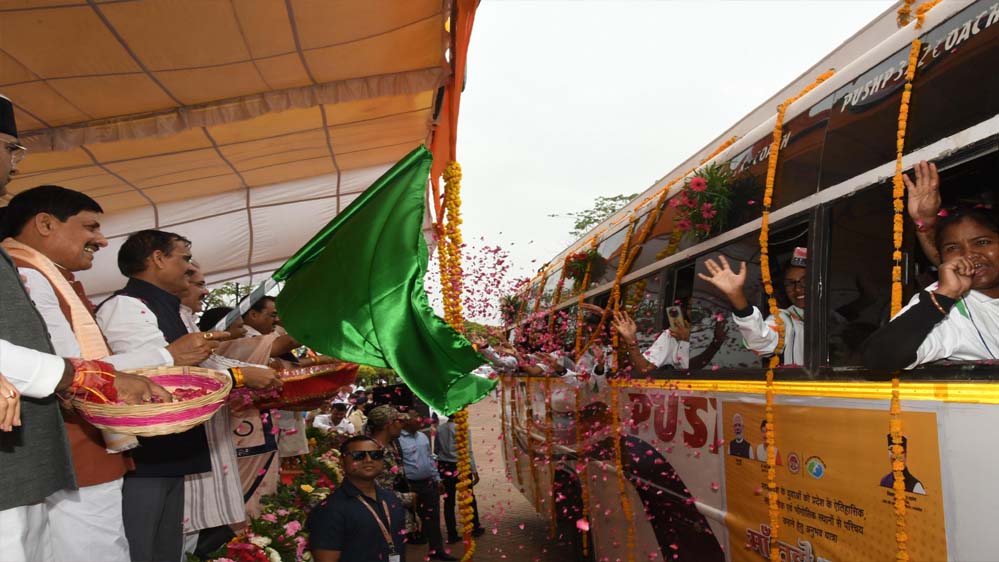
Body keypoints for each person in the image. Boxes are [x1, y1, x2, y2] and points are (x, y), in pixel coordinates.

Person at [0, 96, 168, 562]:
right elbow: (68, 360)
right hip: (53, 442)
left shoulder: (38, 270)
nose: (102, 239)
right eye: (11, 149)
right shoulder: (29, 270)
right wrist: (167, 360)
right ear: (45, 224)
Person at [863, 207, 999, 370]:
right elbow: (880, 359)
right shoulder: (943, 305)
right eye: (952, 248)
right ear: (942, 259)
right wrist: (944, 296)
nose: (968, 254)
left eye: (982, 242)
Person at [698, 248, 808, 366]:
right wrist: (736, 296)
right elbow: (760, 341)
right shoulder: (786, 318)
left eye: (805, 281)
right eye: (790, 283)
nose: (797, 289)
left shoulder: (829, 314)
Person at [308, 435, 407, 562]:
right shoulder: (330, 509)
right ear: (342, 461)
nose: (368, 459)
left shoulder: (391, 499)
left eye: (375, 455)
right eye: (358, 455)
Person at [399, 413, 457, 561]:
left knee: (433, 518)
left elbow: (430, 458)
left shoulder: (422, 437)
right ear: (405, 422)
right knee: (408, 522)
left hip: (428, 483)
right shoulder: (398, 440)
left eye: (420, 417)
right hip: (410, 486)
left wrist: (437, 478)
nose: (420, 420)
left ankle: (437, 550)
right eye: (415, 418)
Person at [435, 416, 485, 544]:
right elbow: (469, 451)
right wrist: (474, 470)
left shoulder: (440, 429)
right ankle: (475, 526)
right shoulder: (463, 428)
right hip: (461, 466)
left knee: (448, 501)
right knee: (469, 498)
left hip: (444, 466)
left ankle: (451, 533)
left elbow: (436, 450)